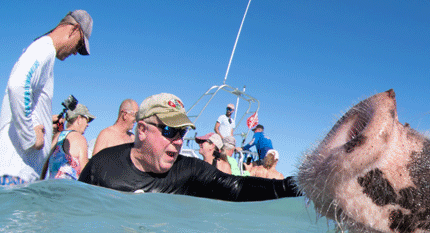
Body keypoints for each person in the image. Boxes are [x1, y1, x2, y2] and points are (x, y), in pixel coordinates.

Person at [79, 93, 301, 200]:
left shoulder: (189, 171)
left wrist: (296, 187)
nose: (177, 140)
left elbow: (237, 187)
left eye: (182, 132)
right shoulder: (102, 166)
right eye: (168, 130)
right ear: (142, 130)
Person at [0, 9, 93, 185]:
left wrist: (44, 123)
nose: (75, 52)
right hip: (15, 173)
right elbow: (17, 85)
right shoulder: (44, 48)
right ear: (74, 29)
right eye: (79, 45)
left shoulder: (44, 52)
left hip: (20, 174)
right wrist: (30, 137)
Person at [43, 103, 95, 180]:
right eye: (87, 120)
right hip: (70, 190)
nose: (87, 124)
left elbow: (44, 165)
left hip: (50, 187)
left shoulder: (57, 137)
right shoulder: (80, 139)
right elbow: (85, 173)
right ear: (79, 118)